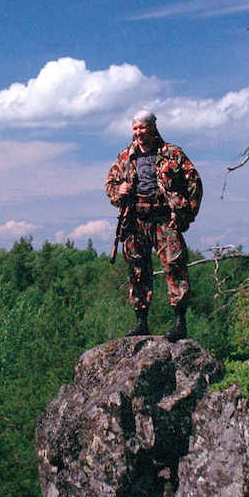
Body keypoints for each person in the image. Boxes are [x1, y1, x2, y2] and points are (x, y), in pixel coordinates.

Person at [106, 110, 202, 341]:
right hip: (135, 221)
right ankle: (141, 322)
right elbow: (110, 183)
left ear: (153, 127)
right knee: (137, 271)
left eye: (143, 127)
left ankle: (180, 322)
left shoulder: (172, 154)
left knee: (174, 266)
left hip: (164, 219)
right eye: (135, 129)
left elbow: (194, 183)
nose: (139, 133)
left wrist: (185, 215)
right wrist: (118, 191)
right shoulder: (125, 157)